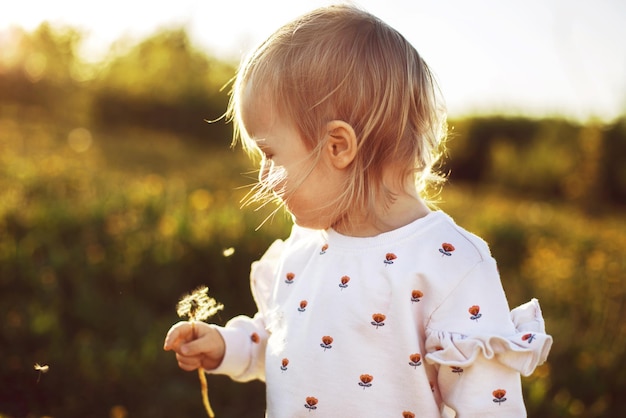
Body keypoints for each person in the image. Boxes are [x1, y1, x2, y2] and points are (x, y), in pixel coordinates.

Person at [164, 4, 552, 417]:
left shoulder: (449, 266)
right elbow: (285, 349)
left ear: (338, 146)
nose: (262, 175)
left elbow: (487, 405)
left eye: (271, 154)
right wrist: (229, 346)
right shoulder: (301, 253)